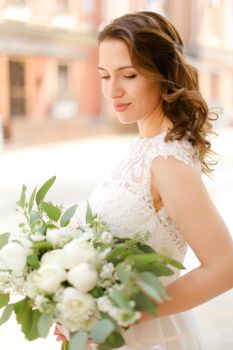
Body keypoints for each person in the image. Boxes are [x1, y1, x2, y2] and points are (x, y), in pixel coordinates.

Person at [56, 11, 233, 349]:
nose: (112, 91)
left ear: (162, 73)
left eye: (129, 75)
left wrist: (124, 314)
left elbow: (225, 267)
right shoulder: (144, 146)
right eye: (104, 76)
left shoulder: (167, 160)